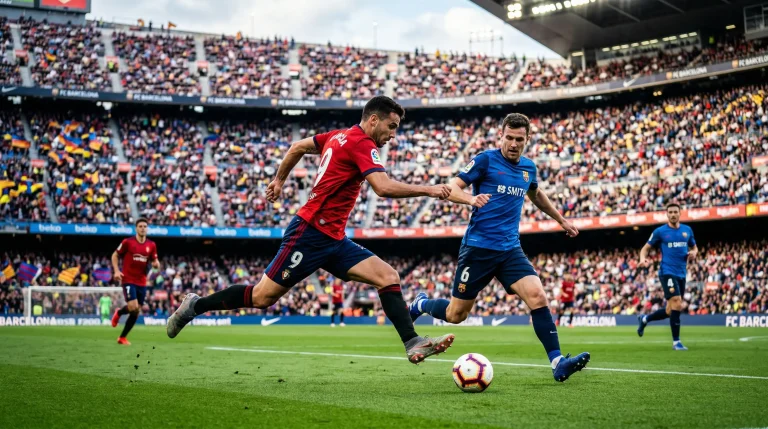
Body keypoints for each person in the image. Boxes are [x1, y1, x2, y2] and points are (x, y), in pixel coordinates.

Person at [167, 96, 458, 364]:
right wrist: (428, 189)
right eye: (391, 126)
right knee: (262, 297)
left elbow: (298, 146)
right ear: (373, 120)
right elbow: (382, 187)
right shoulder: (362, 143)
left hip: (334, 239)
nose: (392, 134)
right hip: (309, 233)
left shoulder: (336, 136)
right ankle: (196, 305)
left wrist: (280, 181)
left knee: (388, 276)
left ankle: (412, 342)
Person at [408, 113, 591, 382]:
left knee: (538, 297)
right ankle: (420, 303)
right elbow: (453, 187)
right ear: (501, 136)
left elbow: (536, 194)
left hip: (510, 250)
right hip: (478, 248)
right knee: (456, 314)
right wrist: (471, 199)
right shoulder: (485, 160)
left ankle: (558, 362)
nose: (513, 144)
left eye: (519, 139)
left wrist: (561, 219)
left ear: (527, 140)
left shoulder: (529, 168)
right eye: (509, 138)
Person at [637, 202, 697, 350]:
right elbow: (645, 248)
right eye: (670, 212)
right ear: (667, 214)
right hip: (666, 271)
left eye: (675, 212)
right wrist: (642, 259)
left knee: (671, 310)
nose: (673, 214)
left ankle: (645, 319)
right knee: (677, 301)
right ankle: (676, 342)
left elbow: (694, 247)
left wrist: (694, 252)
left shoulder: (687, 230)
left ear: (680, 213)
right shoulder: (660, 231)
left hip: (681, 273)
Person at [111, 218, 159, 345]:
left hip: (142, 281)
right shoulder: (128, 242)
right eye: (140, 226)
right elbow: (115, 255)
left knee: (136, 311)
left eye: (145, 226)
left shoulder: (151, 245)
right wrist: (116, 271)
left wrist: (156, 264)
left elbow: (155, 261)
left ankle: (122, 337)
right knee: (133, 306)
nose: (143, 228)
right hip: (128, 279)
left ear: (147, 228)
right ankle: (120, 313)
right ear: (136, 228)